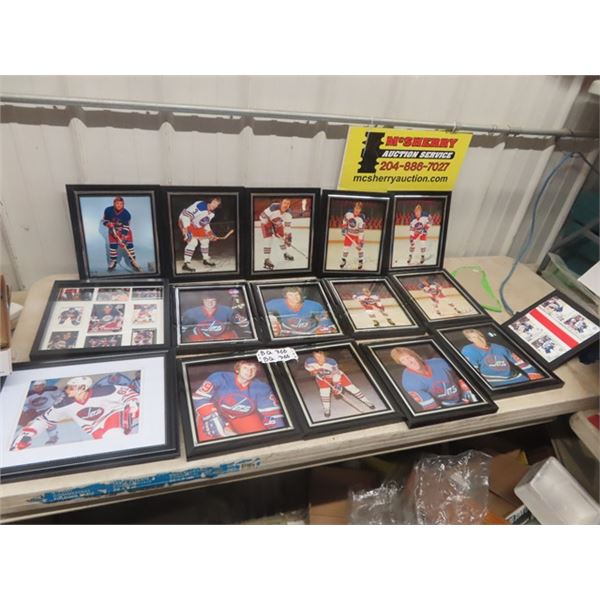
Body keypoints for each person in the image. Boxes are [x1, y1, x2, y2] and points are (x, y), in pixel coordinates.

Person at [10, 374, 140, 450]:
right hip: (95, 429)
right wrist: (27, 435)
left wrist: (133, 404)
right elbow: (44, 420)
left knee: (113, 435)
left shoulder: (105, 390)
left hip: (114, 415)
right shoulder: (64, 404)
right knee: (107, 443)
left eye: (71, 388)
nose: (67, 390)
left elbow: (128, 394)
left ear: (82, 388)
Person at [191, 360, 285, 441]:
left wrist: (280, 434)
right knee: (208, 440)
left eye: (253, 368)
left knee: (262, 439)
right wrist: (210, 417)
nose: (249, 371)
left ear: (257, 371)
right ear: (237, 369)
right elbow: (199, 397)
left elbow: (273, 414)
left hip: (244, 415)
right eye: (245, 368)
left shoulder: (262, 387)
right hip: (216, 413)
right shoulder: (219, 377)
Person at [390, 346, 477, 411]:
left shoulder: (440, 362)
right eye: (403, 360)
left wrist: (468, 391)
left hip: (465, 394)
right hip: (446, 406)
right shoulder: (409, 382)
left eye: (409, 357)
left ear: (415, 356)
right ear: (401, 364)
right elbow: (431, 407)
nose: (409, 362)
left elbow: (461, 375)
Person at [460, 328, 544, 387]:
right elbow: (472, 372)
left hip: (516, 378)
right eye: (475, 337)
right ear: (470, 340)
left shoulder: (499, 347)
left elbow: (519, 361)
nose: (479, 339)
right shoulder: (468, 350)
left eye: (480, 336)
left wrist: (532, 373)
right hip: (494, 383)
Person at [303, 350, 374, 418]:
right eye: (316, 356)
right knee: (324, 392)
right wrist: (314, 372)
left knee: (351, 388)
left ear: (324, 355)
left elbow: (336, 374)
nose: (319, 359)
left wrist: (337, 386)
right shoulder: (309, 361)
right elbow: (308, 368)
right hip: (322, 378)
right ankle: (326, 408)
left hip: (336, 376)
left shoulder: (331, 362)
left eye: (321, 356)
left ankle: (366, 401)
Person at [265, 286, 336, 337]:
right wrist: (271, 323)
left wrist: (325, 329)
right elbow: (262, 315)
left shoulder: (314, 305)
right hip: (285, 336)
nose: (295, 298)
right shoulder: (273, 304)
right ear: (285, 296)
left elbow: (325, 320)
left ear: (301, 295)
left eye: (297, 294)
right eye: (290, 295)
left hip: (310, 335)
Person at [181, 292, 248, 341]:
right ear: (203, 301)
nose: (210, 303)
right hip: (200, 341)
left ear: (217, 301)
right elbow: (183, 328)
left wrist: (242, 322)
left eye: (213, 300)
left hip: (223, 339)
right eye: (207, 300)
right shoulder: (191, 312)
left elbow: (242, 323)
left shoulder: (228, 310)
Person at [178, 197, 222, 272]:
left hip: (195, 225)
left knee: (205, 240)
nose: (215, 205)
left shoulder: (212, 214)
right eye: (214, 202)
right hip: (185, 220)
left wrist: (210, 233)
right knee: (193, 242)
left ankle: (206, 260)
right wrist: (187, 230)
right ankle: (186, 264)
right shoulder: (200, 205)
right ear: (210, 201)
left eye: (217, 204)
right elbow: (186, 216)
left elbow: (205, 224)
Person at [102, 196, 142, 272]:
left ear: (123, 204)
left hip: (124, 231)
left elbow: (126, 226)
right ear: (114, 203)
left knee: (129, 245)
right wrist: (108, 224)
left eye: (121, 204)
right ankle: (113, 261)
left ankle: (133, 261)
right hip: (113, 231)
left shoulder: (126, 214)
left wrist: (123, 238)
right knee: (113, 246)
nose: (119, 205)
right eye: (117, 203)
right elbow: (104, 220)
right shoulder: (108, 210)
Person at [18, 380, 63, 445]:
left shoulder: (51, 390)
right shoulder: (29, 395)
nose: (37, 387)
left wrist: (57, 403)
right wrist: (27, 411)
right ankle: (23, 441)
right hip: (36, 412)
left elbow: (61, 396)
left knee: (49, 423)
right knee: (31, 426)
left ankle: (53, 437)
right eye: (35, 386)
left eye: (39, 386)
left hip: (50, 410)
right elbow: (25, 406)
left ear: (43, 385)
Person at [259, 198, 294, 270]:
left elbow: (287, 227)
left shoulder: (289, 213)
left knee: (282, 240)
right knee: (268, 240)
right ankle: (266, 259)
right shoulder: (273, 207)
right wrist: (269, 226)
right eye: (285, 203)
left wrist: (288, 237)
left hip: (277, 224)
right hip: (266, 223)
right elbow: (262, 216)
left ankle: (285, 253)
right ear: (281, 203)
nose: (286, 205)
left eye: (288, 204)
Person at [339, 201, 366, 270]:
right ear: (354, 208)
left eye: (359, 209)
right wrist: (344, 228)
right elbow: (345, 221)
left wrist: (360, 241)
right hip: (349, 234)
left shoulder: (361, 218)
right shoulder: (348, 214)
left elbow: (361, 231)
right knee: (345, 248)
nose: (357, 210)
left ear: (360, 210)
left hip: (358, 235)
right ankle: (343, 260)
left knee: (360, 249)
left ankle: (360, 261)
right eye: (356, 208)